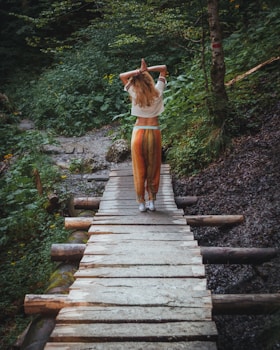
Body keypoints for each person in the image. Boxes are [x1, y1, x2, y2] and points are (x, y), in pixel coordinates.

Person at [119, 58, 167, 212]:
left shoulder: (134, 92)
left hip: (138, 133)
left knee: (139, 169)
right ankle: (152, 201)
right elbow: (164, 68)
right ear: (149, 80)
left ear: (136, 82)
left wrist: (139, 71)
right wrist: (147, 70)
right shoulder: (158, 90)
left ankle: (141, 202)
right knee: (153, 168)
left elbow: (122, 76)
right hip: (153, 132)